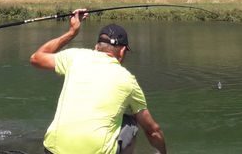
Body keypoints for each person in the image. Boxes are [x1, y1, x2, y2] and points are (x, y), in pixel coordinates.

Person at [30, 11, 167, 154]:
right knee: (131, 124)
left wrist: (72, 32)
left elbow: (36, 58)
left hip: (52, 150)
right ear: (122, 51)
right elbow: (153, 131)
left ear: (96, 46)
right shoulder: (128, 80)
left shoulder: (74, 57)